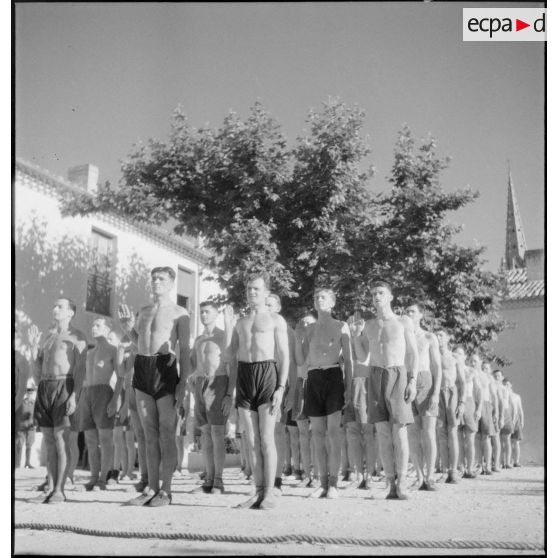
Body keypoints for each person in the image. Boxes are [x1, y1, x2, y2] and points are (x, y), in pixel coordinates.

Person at [118, 266, 191, 506]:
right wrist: (128, 329)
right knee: (148, 432)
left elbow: (186, 350)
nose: (156, 282)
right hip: (143, 367)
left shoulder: (180, 313)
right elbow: (140, 343)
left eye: (161, 279)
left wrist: (183, 384)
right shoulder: (144, 311)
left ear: (171, 283)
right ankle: (151, 487)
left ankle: (166, 491)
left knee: (167, 432)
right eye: (153, 279)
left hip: (165, 368)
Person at [222, 271, 289, 510]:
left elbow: (284, 356)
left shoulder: (275, 320)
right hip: (245, 376)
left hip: (267, 374)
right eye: (249, 288)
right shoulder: (241, 322)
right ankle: (257, 490)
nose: (252, 292)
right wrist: (228, 326)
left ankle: (269, 492)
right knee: (250, 441)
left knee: (266, 438)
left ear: (266, 292)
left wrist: (281, 387)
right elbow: (228, 356)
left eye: (257, 289)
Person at [352, 281, 418, 500]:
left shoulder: (402, 321)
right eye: (373, 294)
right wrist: (355, 335)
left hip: (397, 373)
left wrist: (412, 380)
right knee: (382, 432)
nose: (376, 297)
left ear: (390, 296)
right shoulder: (369, 325)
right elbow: (362, 357)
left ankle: (403, 482)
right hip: (376, 374)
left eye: (381, 293)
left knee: (400, 432)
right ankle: (390, 483)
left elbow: (413, 354)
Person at [296, 287, 353, 500]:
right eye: (316, 296)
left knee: (333, 432)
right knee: (317, 433)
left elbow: (348, 359)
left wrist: (349, 385)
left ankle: (334, 483)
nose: (319, 299)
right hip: (314, 377)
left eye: (323, 297)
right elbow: (301, 360)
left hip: (333, 375)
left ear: (332, 303)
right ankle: (321, 482)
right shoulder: (309, 329)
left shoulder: (341, 326)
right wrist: (298, 337)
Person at [30, 298, 87, 503]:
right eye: (54, 305)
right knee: (48, 442)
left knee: (62, 441)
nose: (55, 308)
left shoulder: (77, 336)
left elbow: (80, 369)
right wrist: (33, 348)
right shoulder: (48, 336)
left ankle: (60, 490)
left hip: (65, 385)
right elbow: (37, 371)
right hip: (45, 387)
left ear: (71, 313)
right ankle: (50, 487)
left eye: (60, 306)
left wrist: (75, 395)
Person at [80, 318, 122, 491]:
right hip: (86, 393)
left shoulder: (114, 350)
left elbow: (121, 377)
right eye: (93, 324)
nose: (93, 327)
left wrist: (115, 400)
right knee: (90, 439)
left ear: (107, 328)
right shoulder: (89, 353)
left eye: (98, 325)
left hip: (104, 392)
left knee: (105, 438)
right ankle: (93, 476)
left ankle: (103, 478)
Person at [191, 301, 228, 494]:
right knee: (205, 433)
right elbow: (192, 363)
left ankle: (219, 480)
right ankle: (209, 478)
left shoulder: (223, 336)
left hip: (218, 382)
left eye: (207, 312)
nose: (204, 315)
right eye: (202, 312)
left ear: (216, 314)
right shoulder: (198, 339)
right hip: (200, 383)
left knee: (217, 432)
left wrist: (230, 393)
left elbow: (231, 364)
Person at [404, 303, 442, 491]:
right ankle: (418, 476)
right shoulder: (402, 336)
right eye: (407, 312)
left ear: (420, 315)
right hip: (406, 381)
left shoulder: (429, 337)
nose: (409, 314)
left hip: (425, 381)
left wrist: (435, 392)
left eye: (413, 311)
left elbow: (437, 367)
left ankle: (430, 476)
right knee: (412, 433)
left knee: (428, 432)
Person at [265, 294, 297, 495]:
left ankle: (276, 479)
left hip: (279, 383)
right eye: (264, 304)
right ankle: (264, 478)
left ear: (278, 307)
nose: (266, 308)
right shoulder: (255, 326)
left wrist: (290, 389)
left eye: (270, 305)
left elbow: (290, 363)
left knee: (277, 432)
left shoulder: (287, 330)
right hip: (260, 382)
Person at [346, 312, 378, 491]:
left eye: (358, 321)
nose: (353, 324)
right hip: (347, 385)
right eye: (351, 321)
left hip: (363, 384)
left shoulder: (365, 338)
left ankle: (370, 475)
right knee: (351, 432)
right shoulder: (346, 338)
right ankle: (357, 474)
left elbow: (363, 357)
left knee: (366, 431)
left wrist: (357, 335)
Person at [435, 330, 465, 484]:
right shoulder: (432, 355)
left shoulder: (454, 357)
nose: (438, 338)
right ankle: (444, 470)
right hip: (437, 394)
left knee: (452, 432)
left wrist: (462, 402)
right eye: (437, 335)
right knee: (441, 433)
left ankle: (453, 471)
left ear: (447, 338)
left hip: (451, 393)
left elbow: (462, 381)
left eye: (441, 335)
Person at [293, 313, 318, 487]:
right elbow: (297, 362)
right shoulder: (299, 342)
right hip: (300, 385)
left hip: (317, 383)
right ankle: (307, 474)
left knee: (317, 433)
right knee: (302, 433)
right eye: (303, 323)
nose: (306, 325)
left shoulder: (320, 341)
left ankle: (318, 474)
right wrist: (298, 339)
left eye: (309, 323)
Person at [454, 347, 481, 478]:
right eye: (455, 354)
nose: (457, 356)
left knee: (470, 439)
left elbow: (478, 391)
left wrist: (479, 408)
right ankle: (460, 468)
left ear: (464, 357)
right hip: (455, 402)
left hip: (469, 403)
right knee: (457, 438)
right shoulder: (451, 371)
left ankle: (470, 468)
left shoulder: (471, 371)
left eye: (460, 354)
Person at [473, 354, 498, 475]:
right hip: (472, 404)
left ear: (480, 362)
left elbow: (494, 396)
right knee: (476, 437)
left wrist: (497, 412)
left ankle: (488, 466)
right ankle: (479, 464)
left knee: (486, 437)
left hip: (486, 406)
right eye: (471, 361)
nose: (473, 363)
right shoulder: (470, 373)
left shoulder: (486, 377)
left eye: (475, 361)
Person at [485, 362, 504, 472]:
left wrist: (500, 416)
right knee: (485, 438)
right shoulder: (482, 379)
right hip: (485, 411)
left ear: (490, 369)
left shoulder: (495, 384)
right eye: (483, 368)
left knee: (495, 438)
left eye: (487, 368)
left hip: (493, 412)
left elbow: (500, 401)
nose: (485, 370)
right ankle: (486, 464)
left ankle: (496, 464)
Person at [15, 379, 37, 469]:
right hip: (20, 426)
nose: (30, 392)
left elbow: (36, 413)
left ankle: (27, 463)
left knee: (29, 445)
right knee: (19, 445)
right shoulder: (19, 401)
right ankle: (17, 463)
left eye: (31, 390)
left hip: (31, 427)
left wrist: (36, 424)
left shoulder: (34, 402)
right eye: (28, 390)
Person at [507, 380, 524, 467]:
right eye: (504, 384)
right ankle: (507, 461)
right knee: (507, 441)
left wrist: (522, 421)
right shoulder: (503, 395)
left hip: (516, 421)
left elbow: (520, 410)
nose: (506, 386)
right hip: (507, 419)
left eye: (508, 384)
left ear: (511, 385)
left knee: (516, 442)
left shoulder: (516, 396)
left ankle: (516, 461)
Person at [499, 375, 514, 469]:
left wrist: (513, 418)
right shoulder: (497, 388)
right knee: (499, 440)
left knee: (507, 440)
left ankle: (507, 462)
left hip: (507, 414)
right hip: (498, 413)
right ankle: (500, 462)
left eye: (507, 384)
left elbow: (512, 406)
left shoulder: (509, 392)